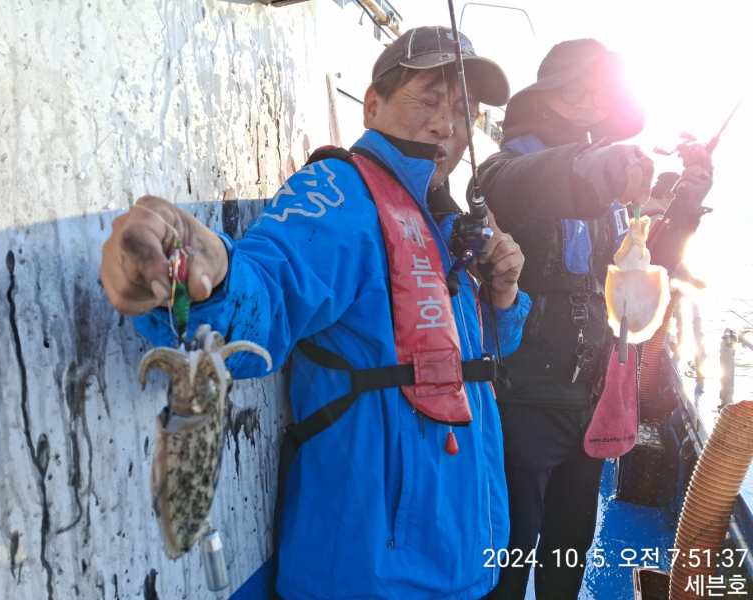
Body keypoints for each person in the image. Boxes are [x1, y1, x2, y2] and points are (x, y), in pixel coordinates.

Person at [101, 26, 531, 600]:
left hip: (461, 560)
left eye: (463, 110)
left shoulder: (445, 221)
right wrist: (196, 284)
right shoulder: (341, 195)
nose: (446, 125)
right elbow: (266, 294)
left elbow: (469, 355)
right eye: (428, 99)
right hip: (368, 574)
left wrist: (503, 300)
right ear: (372, 105)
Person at [471, 39, 714, 600]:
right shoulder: (502, 169)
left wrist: (686, 202)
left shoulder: (613, 193)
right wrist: (594, 169)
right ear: (543, 96)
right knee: (508, 548)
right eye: (571, 90)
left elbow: (642, 268)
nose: (585, 103)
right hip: (520, 396)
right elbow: (531, 183)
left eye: (598, 93)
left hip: (592, 397)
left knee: (570, 542)